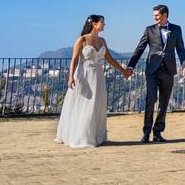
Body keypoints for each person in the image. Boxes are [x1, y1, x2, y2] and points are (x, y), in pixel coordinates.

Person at [55, 15, 130, 148]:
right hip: (83, 74)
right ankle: (81, 137)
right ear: (94, 24)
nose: (104, 25)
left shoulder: (102, 41)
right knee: (83, 105)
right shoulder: (82, 39)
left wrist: (122, 70)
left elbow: (110, 59)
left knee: (96, 105)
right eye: (102, 22)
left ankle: (95, 136)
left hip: (98, 76)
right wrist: (70, 77)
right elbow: (74, 59)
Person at [126, 4, 185, 143]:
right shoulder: (149, 30)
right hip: (152, 70)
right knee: (151, 99)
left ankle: (157, 132)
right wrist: (131, 65)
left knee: (164, 102)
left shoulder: (176, 29)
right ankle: (146, 132)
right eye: (154, 16)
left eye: (157, 16)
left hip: (168, 69)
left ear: (165, 15)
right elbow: (140, 48)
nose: (154, 18)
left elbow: (181, 49)